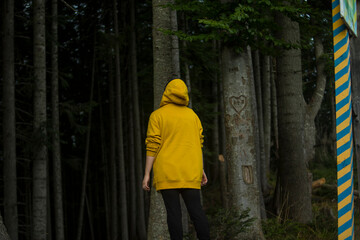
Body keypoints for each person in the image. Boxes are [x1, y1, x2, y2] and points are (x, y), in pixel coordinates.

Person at [142, 79, 210, 240]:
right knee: (197, 212)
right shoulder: (193, 116)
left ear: (166, 93)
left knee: (173, 214)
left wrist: (147, 174)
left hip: (167, 171)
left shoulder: (157, 115)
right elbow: (197, 144)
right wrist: (200, 169)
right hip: (190, 170)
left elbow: (153, 145)